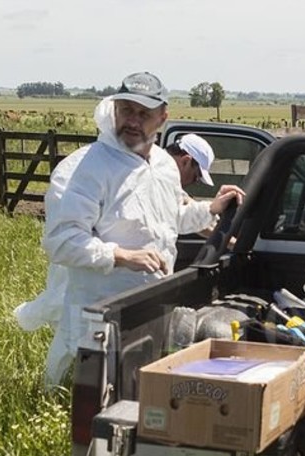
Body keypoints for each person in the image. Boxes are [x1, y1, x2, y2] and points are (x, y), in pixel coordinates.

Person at [23, 73, 241, 385]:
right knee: (86, 399)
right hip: (99, 312)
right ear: (114, 111)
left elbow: (167, 220)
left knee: (139, 390)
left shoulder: (164, 165)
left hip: (152, 305)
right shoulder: (87, 168)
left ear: (162, 118)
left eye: (143, 114)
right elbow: (60, 242)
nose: (133, 121)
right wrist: (122, 255)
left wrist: (210, 209)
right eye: (126, 110)